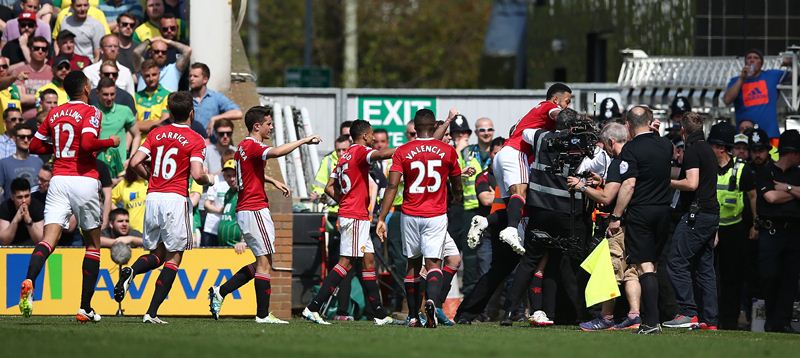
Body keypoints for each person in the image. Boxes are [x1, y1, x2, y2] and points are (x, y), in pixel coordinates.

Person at [19, 70, 120, 322]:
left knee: (48, 240)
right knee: (93, 245)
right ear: (85, 88)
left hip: (59, 179)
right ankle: (85, 307)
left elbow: (34, 146)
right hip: (84, 179)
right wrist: (110, 142)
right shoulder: (91, 112)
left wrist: (59, 146)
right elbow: (87, 144)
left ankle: (30, 279)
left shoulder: (54, 113)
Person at [208, 105, 319, 323]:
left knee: (263, 261)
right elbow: (277, 152)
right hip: (254, 208)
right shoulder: (252, 145)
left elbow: (249, 173)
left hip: (248, 208)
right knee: (265, 263)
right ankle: (262, 315)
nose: (271, 127)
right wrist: (304, 140)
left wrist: (272, 180)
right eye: (269, 124)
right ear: (257, 126)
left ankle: (221, 291)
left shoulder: (242, 147)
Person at [114, 91, 213, 324]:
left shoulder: (157, 133)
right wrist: (209, 179)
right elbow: (198, 175)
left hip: (153, 197)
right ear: (191, 113)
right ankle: (151, 312)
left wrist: (149, 177)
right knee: (174, 258)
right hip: (175, 198)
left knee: (157, 254)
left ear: (169, 112)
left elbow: (134, 162)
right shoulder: (196, 138)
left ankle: (131, 271)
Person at [301, 119, 395, 325]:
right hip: (354, 217)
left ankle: (379, 314)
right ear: (364, 136)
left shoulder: (343, 157)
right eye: (371, 135)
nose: (373, 139)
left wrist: (346, 201)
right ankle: (313, 307)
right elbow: (381, 154)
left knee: (368, 260)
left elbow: (329, 187)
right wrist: (408, 148)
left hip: (355, 214)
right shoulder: (360, 151)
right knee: (346, 262)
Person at [376, 108, 463, 328]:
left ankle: (414, 315)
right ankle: (432, 302)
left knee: (413, 264)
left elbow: (392, 185)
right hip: (436, 214)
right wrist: (457, 199)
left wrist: (381, 217)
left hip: (410, 213)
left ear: (414, 128)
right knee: (434, 263)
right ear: (434, 126)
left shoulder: (403, 150)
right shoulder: (447, 151)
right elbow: (456, 183)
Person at [606, 106, 674, 334]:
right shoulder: (666, 145)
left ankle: (651, 323)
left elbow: (629, 184)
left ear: (627, 125)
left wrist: (615, 216)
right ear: (652, 120)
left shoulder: (631, 148)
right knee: (653, 265)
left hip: (641, 213)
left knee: (644, 267)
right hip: (664, 212)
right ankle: (654, 319)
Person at [570, 122, 643, 331]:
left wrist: (581, 185)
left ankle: (606, 318)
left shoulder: (618, 161)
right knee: (630, 271)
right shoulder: (635, 157)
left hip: (618, 225)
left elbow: (606, 196)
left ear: (611, 142)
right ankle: (634, 315)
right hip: (637, 222)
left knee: (609, 270)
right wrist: (603, 180)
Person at [490, 83, 571, 254]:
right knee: (521, 193)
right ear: (556, 99)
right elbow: (557, 114)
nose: (568, 106)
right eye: (567, 101)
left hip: (502, 155)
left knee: (512, 203)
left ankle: (487, 222)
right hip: (516, 152)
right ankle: (512, 230)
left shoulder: (535, 110)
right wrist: (572, 119)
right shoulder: (549, 106)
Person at [662, 112, 720, 330]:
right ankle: (710, 319)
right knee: (705, 268)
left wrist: (668, 182)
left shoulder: (693, 150)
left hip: (698, 214)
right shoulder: (708, 150)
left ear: (683, 131)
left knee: (676, 261)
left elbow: (692, 183)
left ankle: (687, 312)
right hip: (711, 214)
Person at [706, 121, 757, 330]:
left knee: (731, 279)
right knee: (707, 276)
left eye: (712, 146)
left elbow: (752, 197)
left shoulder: (742, 169)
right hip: (709, 228)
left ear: (720, 148)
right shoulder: (706, 167)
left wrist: (755, 224)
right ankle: (708, 318)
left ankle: (728, 321)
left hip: (734, 230)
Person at [751, 129, 800, 333]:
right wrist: (796, 193)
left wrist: (785, 188)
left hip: (794, 232)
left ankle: (784, 321)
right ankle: (772, 320)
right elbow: (770, 198)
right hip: (771, 232)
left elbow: (776, 194)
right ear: (792, 153)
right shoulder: (766, 171)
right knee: (770, 276)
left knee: (790, 278)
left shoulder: (797, 173)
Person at [723, 49, 788, 144]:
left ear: (761, 63)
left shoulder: (771, 75)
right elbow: (727, 100)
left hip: (770, 135)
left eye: (756, 58)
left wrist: (790, 62)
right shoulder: (736, 80)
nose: (752, 60)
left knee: (773, 158)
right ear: (745, 62)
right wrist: (742, 79)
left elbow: (795, 74)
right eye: (749, 58)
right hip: (744, 136)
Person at [189, 62, 242, 134]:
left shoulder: (215, 97)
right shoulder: (185, 98)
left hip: (210, 143)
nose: (191, 79)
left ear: (205, 79)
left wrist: (215, 118)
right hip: (190, 142)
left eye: (195, 76)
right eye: (190, 76)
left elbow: (238, 113)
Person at [94, 76, 138, 161]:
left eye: (112, 94)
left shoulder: (125, 110)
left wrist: (131, 158)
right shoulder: (91, 112)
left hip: (119, 165)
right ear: (97, 93)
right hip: (97, 164)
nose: (109, 98)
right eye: (105, 94)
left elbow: (137, 135)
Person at [10, 36, 51, 120]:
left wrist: (30, 97)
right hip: (25, 121)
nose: (40, 51)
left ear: (47, 52)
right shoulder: (19, 72)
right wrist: (44, 98)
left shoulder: (52, 72)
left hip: (48, 120)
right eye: (36, 48)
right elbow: (20, 98)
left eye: (44, 49)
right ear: (30, 50)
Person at [0, 123, 43, 199]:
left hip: (36, 208)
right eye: (22, 137)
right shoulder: (3, 164)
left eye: (29, 137)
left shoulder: (38, 162)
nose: (26, 140)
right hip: (12, 209)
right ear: (14, 138)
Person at [0, 177, 44, 245]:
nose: (24, 201)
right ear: (12, 197)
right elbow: (4, 241)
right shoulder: (5, 207)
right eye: (19, 197)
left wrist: (29, 221)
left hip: (32, 247)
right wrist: (15, 220)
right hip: (11, 247)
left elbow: (40, 240)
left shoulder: (37, 206)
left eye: (27, 196)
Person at [134, 59, 170, 134]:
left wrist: (140, 124)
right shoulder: (136, 97)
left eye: (154, 75)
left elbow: (164, 124)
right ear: (142, 76)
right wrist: (154, 122)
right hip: (139, 143)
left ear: (159, 74)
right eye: (147, 76)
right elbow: (131, 125)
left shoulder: (167, 95)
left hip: (158, 142)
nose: (151, 79)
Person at [111, 166, 147, 232]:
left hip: (151, 231)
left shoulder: (152, 182)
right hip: (131, 231)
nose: (146, 166)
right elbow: (109, 200)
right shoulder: (124, 184)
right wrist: (121, 213)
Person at [215, 159, 241, 247]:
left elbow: (250, 219)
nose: (232, 179)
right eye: (228, 176)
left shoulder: (244, 193)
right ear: (224, 177)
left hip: (238, 247)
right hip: (224, 245)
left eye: (234, 175)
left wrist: (244, 241)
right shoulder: (228, 193)